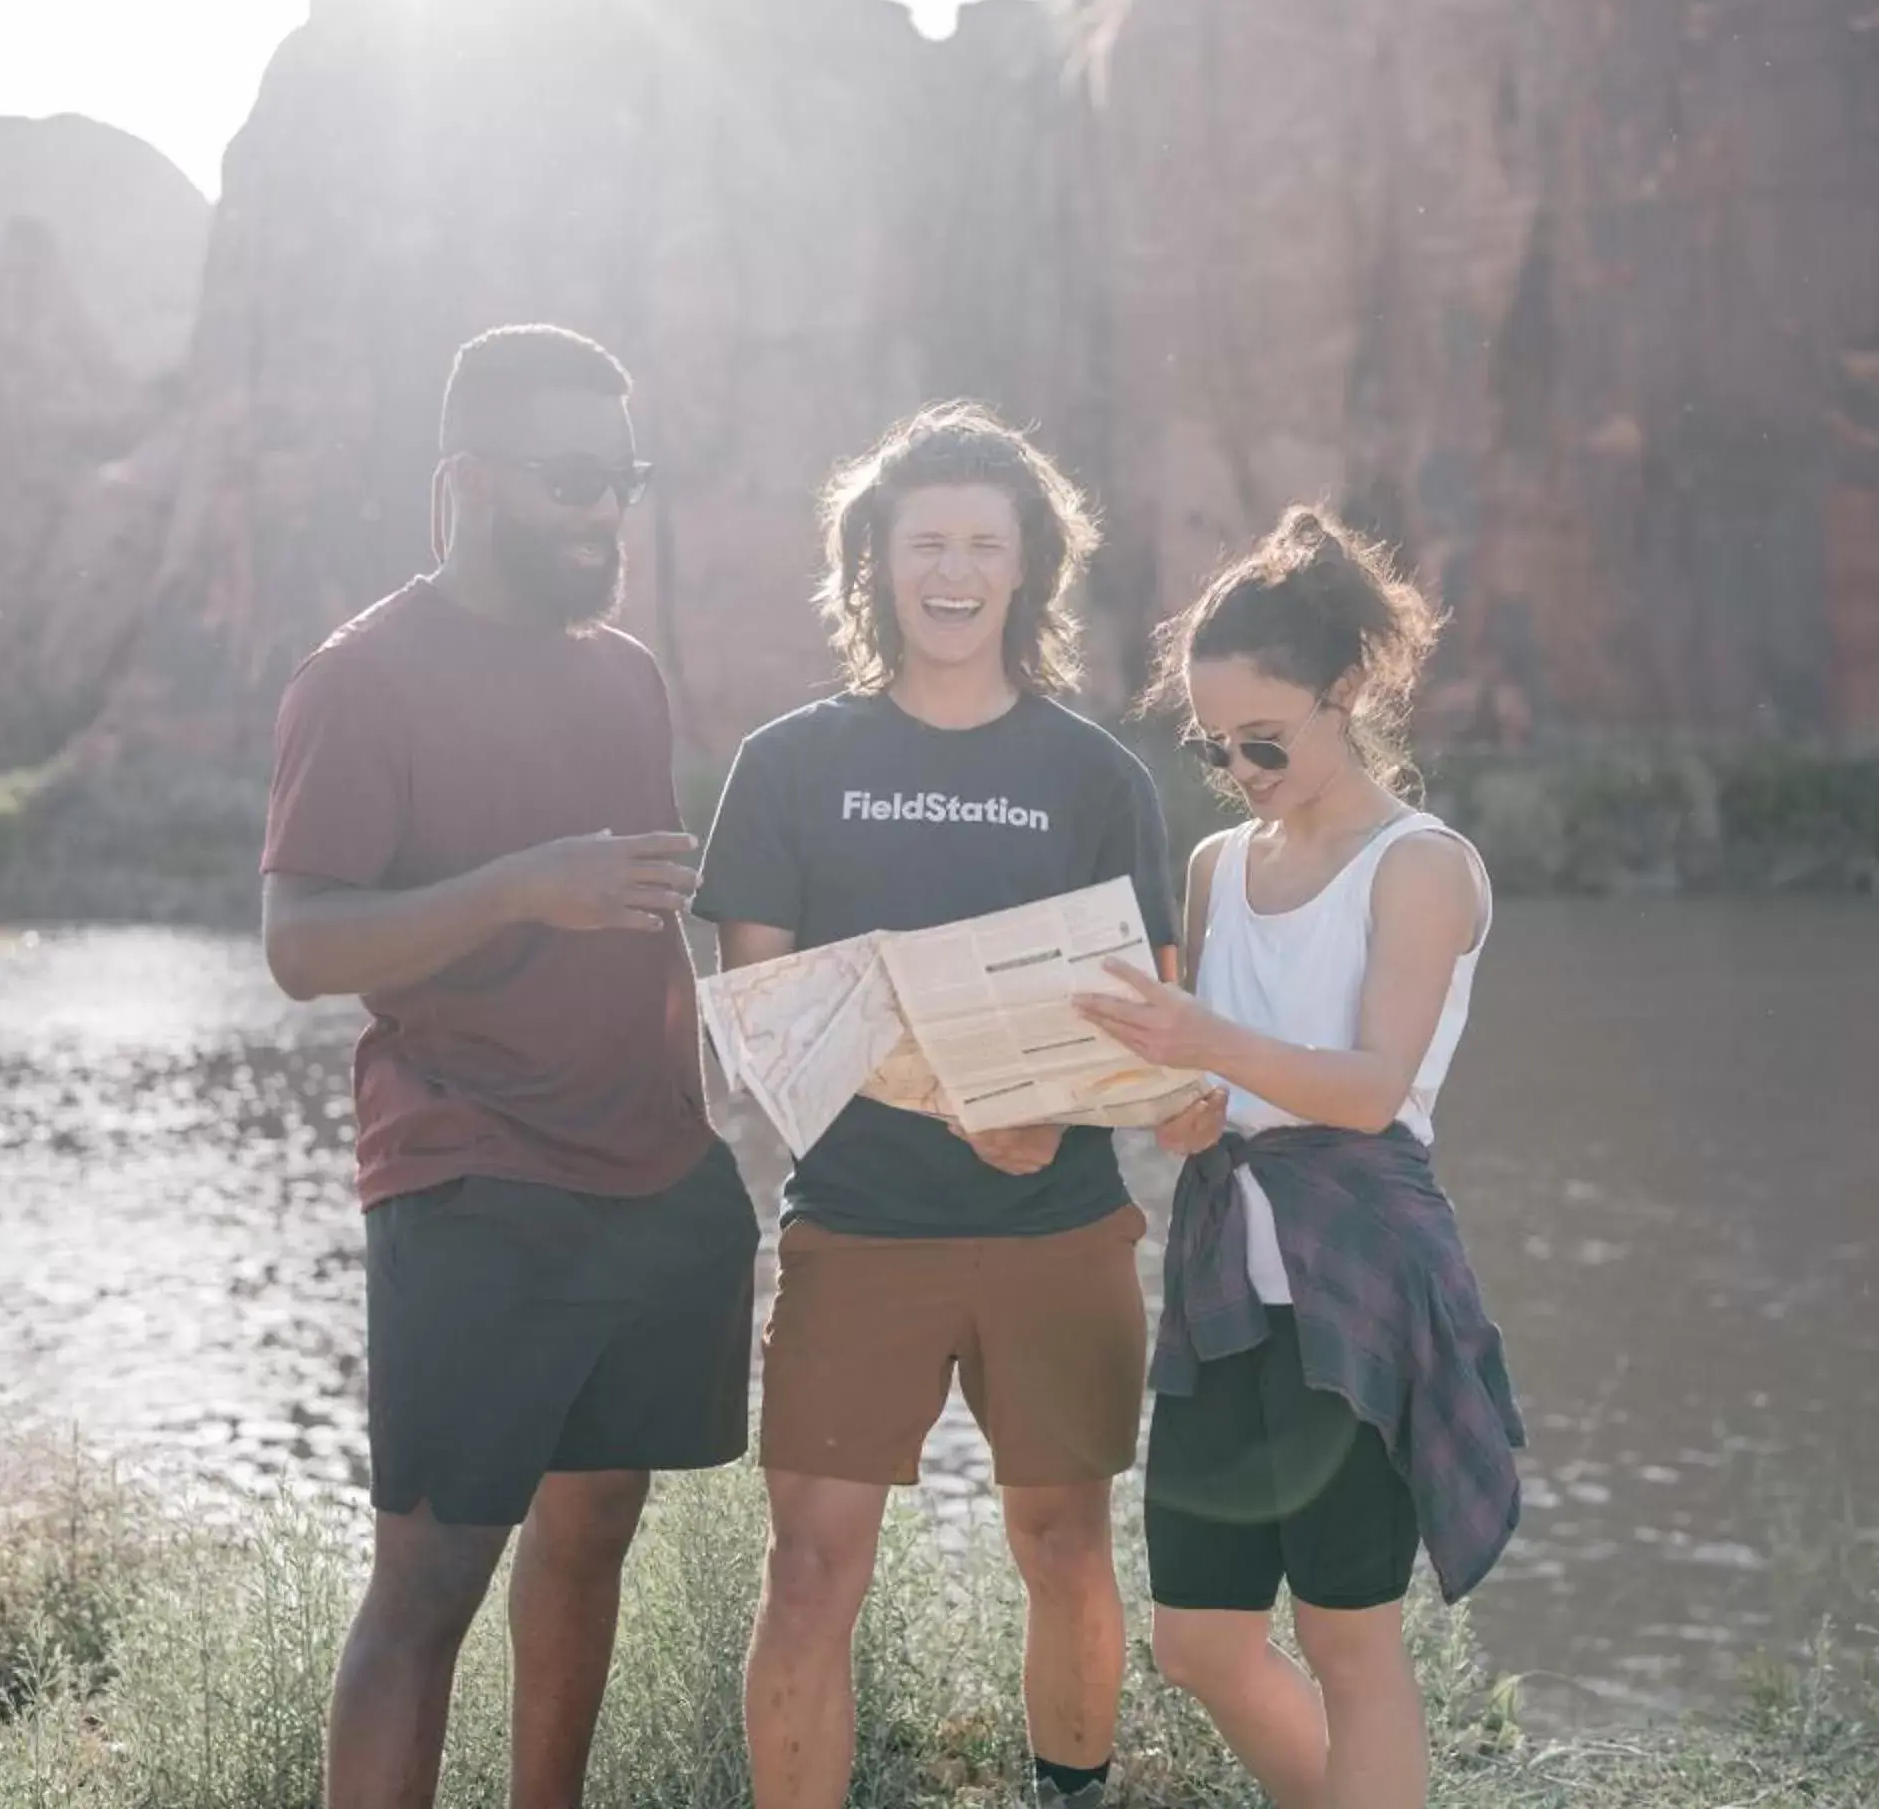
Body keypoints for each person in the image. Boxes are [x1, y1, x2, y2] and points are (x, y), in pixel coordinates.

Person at [258, 324, 758, 1809]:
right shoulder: (359, 680)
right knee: (428, 1582)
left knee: (594, 1532)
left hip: (656, 1179)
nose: (605, 511)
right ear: (467, 482)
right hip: (472, 1179)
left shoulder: (627, 679)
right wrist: (520, 886)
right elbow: (299, 944)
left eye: (624, 479)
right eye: (569, 479)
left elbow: (640, 918)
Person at [693, 403, 1176, 1809]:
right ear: (874, 563)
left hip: (1064, 1229)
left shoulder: (1097, 777)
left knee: (1068, 1551)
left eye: (984, 542)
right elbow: (764, 1031)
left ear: (1030, 568)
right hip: (858, 1232)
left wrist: (1081, 1104)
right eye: (925, 543)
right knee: (808, 1571)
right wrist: (963, 1105)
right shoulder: (788, 766)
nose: (953, 571)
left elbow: (1146, 1011)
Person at [1074, 505, 1527, 1809]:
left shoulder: (1420, 866)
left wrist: (1207, 1038)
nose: (1242, 768)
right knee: (1199, 1638)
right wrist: (1180, 1107)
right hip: (1225, 1281)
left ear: (1345, 695)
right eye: (1217, 749)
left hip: (1364, 1274)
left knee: (1349, 1639)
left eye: (1264, 739)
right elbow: (1217, 1086)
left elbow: (1373, 1090)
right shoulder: (1218, 865)